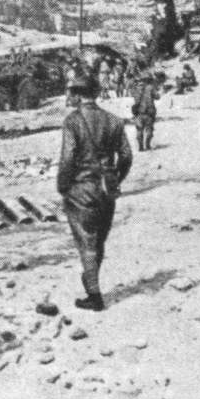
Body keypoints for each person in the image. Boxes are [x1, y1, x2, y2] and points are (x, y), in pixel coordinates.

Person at [57, 74, 133, 311]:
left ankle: (94, 296)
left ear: (79, 95)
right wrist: (115, 178)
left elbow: (68, 158)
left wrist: (63, 185)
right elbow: (126, 156)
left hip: (82, 189)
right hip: (106, 191)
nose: (69, 97)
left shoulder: (72, 121)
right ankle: (91, 280)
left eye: (71, 93)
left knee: (87, 243)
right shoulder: (114, 120)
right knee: (99, 241)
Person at [132, 74, 159, 151]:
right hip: (149, 112)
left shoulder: (136, 88)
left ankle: (140, 146)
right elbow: (157, 96)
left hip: (138, 112)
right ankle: (147, 145)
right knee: (149, 129)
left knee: (139, 129)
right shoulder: (150, 88)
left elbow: (134, 97)